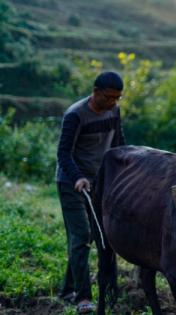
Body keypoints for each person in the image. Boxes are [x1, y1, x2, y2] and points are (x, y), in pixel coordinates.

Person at [55, 71, 125, 314]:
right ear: (95, 92)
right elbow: (63, 153)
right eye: (109, 97)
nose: (113, 102)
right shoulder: (76, 115)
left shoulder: (114, 111)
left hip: (99, 183)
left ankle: (67, 289)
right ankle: (82, 298)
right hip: (71, 183)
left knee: (96, 237)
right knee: (81, 236)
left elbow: (119, 144)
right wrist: (78, 178)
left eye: (118, 98)